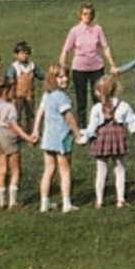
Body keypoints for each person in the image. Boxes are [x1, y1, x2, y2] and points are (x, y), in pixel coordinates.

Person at [81, 75, 135, 209]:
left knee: (101, 169)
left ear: (97, 92)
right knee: (119, 167)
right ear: (116, 89)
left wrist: (83, 138)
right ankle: (120, 200)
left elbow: (91, 128)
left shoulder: (96, 108)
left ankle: (99, 201)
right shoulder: (124, 106)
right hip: (117, 137)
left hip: (101, 138)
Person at [31, 63, 83, 213]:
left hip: (48, 138)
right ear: (51, 79)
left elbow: (40, 112)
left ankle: (44, 203)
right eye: (60, 77)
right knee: (65, 171)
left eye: (66, 76)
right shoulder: (61, 97)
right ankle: (66, 203)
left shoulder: (46, 95)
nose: (65, 79)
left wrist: (35, 130)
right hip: (62, 137)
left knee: (48, 170)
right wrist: (78, 134)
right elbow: (69, 117)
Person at [0, 75, 37, 209]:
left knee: (1, 169)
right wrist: (28, 138)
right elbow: (15, 126)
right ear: (5, 91)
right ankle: (13, 202)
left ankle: (2, 201)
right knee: (15, 170)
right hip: (9, 137)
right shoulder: (10, 107)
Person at [59, 3, 115, 123]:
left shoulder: (97, 29)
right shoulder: (75, 31)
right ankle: (82, 126)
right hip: (80, 69)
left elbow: (105, 47)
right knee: (81, 99)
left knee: (99, 97)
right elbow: (66, 50)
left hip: (96, 67)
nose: (87, 16)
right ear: (80, 15)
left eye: (90, 14)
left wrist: (112, 64)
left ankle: (99, 123)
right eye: (85, 14)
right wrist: (62, 66)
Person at [9, 42, 43, 124]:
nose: (24, 56)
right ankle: (17, 134)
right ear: (16, 55)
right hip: (18, 96)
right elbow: (9, 79)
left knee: (31, 115)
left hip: (29, 95)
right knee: (17, 115)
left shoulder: (32, 65)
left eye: (26, 54)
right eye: (22, 54)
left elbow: (41, 75)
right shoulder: (14, 67)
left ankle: (31, 132)